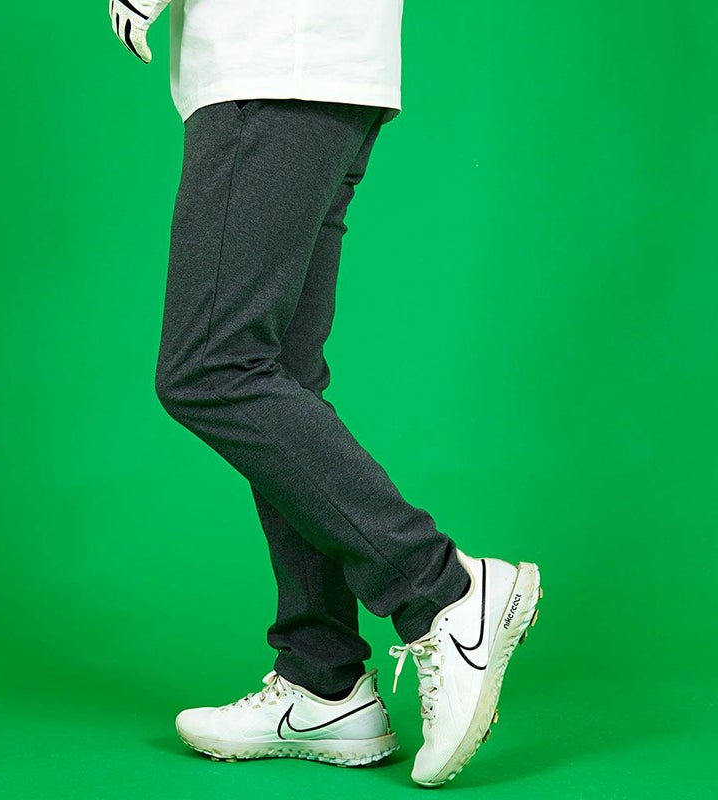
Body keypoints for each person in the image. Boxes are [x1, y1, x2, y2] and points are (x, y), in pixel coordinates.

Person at [109, 0, 542, 787]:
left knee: (211, 370)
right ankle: (325, 683)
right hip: (326, 66)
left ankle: (442, 591)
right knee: (277, 375)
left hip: (272, 58)